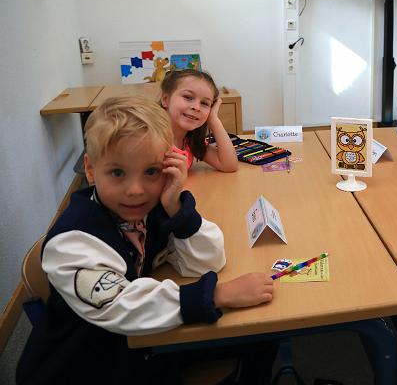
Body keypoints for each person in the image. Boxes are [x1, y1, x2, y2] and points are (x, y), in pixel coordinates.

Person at [17, 96, 275, 384]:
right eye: (117, 173)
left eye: (151, 171)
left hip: (138, 343)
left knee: (262, 335)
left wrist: (176, 207)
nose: (136, 190)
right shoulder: (73, 242)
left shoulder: (151, 211)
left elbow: (208, 260)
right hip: (88, 365)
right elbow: (122, 306)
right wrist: (215, 295)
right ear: (90, 170)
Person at [160, 69, 238, 172]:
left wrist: (213, 120)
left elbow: (229, 165)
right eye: (188, 97)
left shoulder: (191, 141)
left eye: (205, 103)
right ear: (165, 99)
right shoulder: (149, 140)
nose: (196, 107)